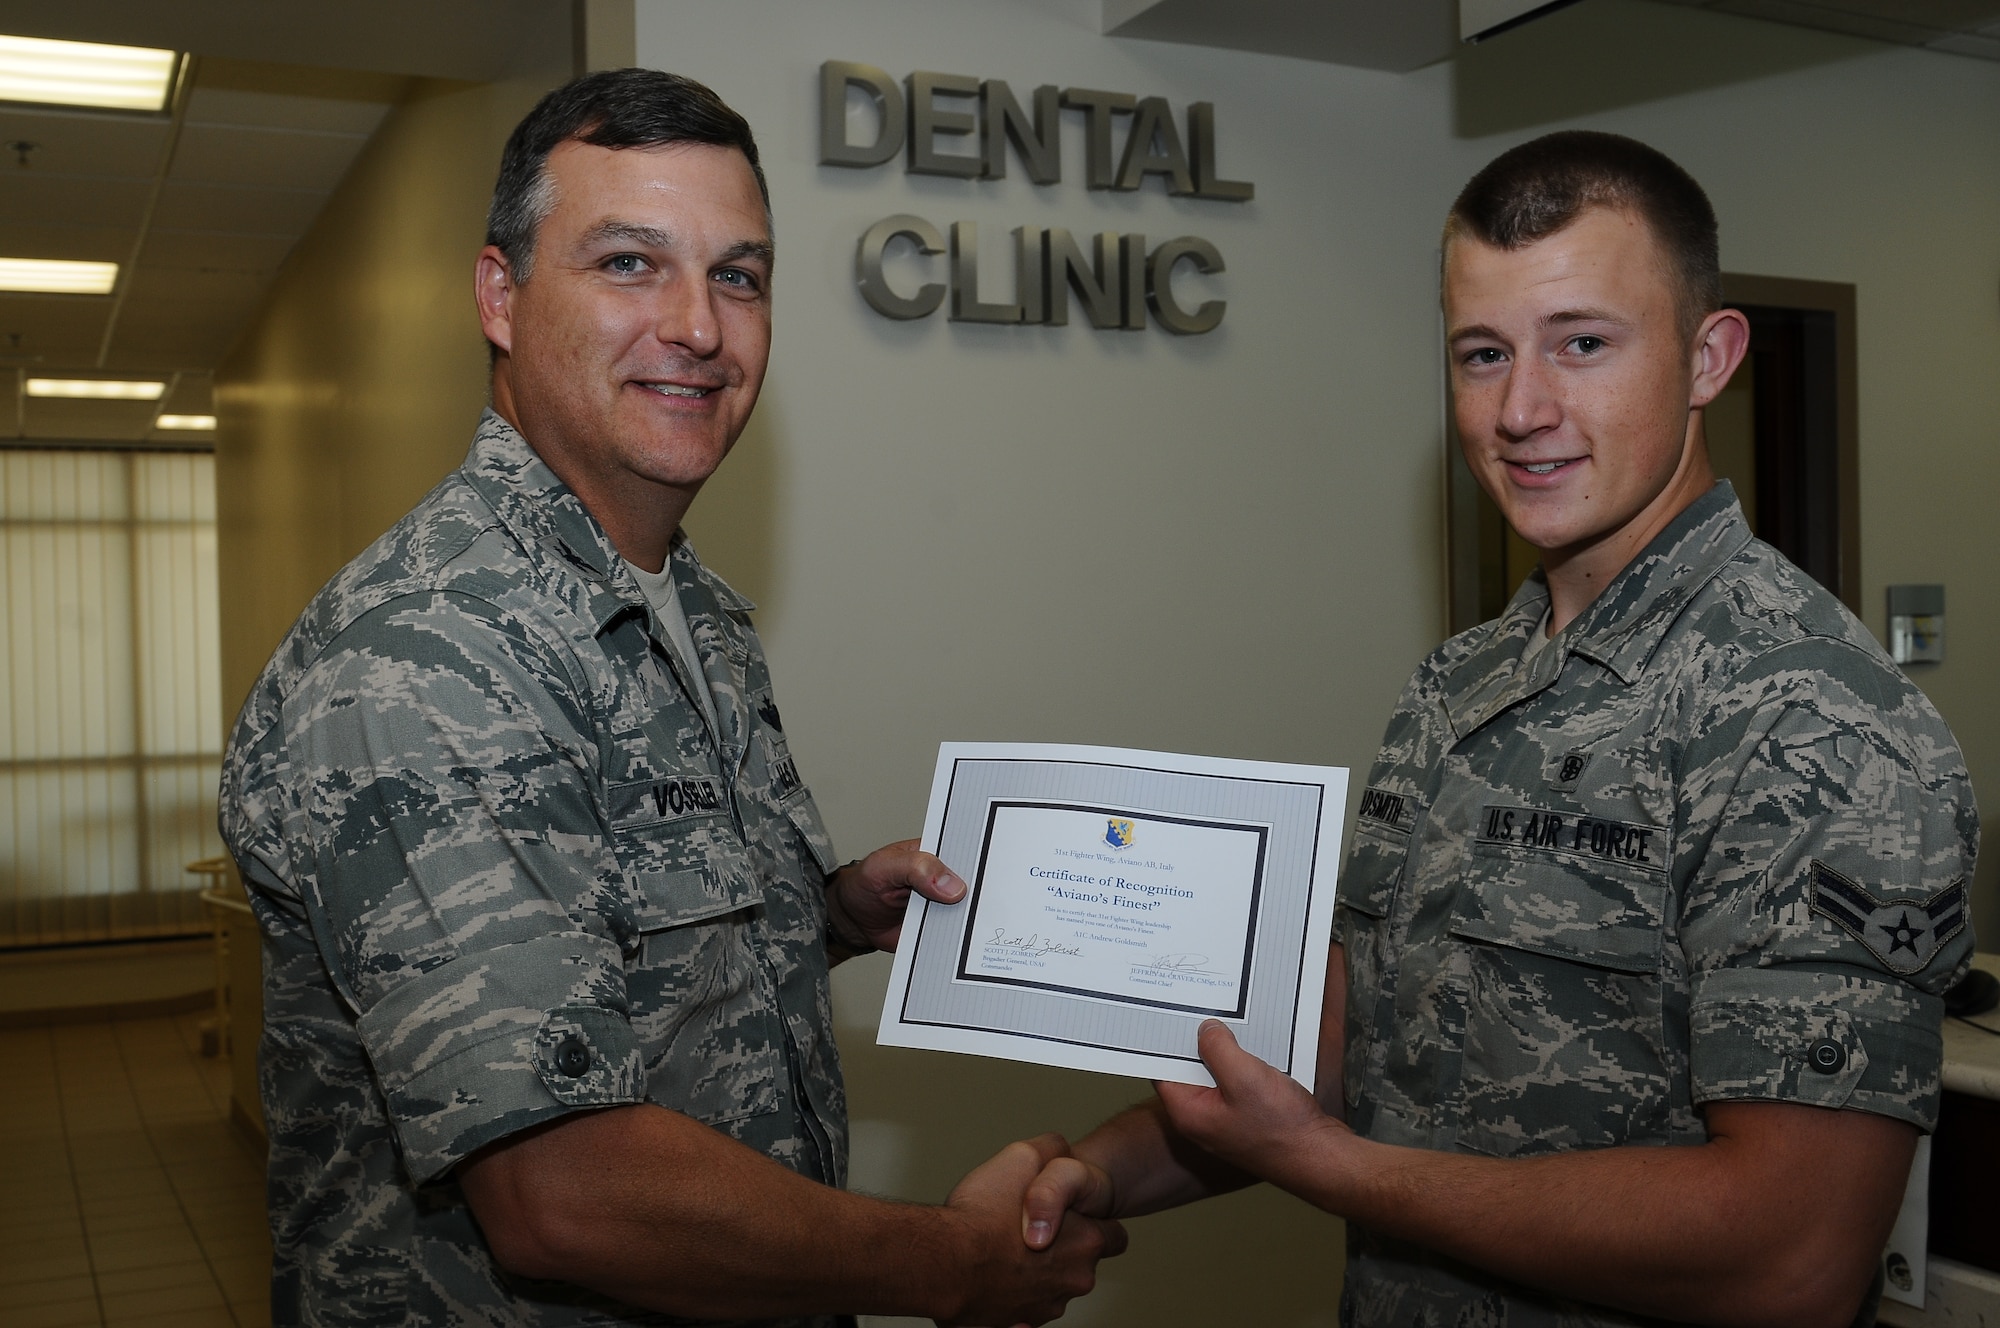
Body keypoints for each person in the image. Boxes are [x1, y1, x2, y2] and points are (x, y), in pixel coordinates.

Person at [1022, 130, 1977, 1327]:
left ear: (1705, 357)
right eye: (1482, 353)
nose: (1520, 409)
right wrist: (1096, 1167)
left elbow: (1790, 1255)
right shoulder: (1456, 684)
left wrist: (1325, 1163)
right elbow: (1323, 1050)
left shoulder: (1814, 720)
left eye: (1581, 342)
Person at [219, 68, 1123, 1327]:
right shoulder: (428, 653)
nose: (698, 325)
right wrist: (957, 1262)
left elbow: (622, 949)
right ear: (499, 293)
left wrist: (828, 916)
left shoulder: (692, 608)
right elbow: (559, 1186)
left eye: (737, 274)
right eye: (631, 262)